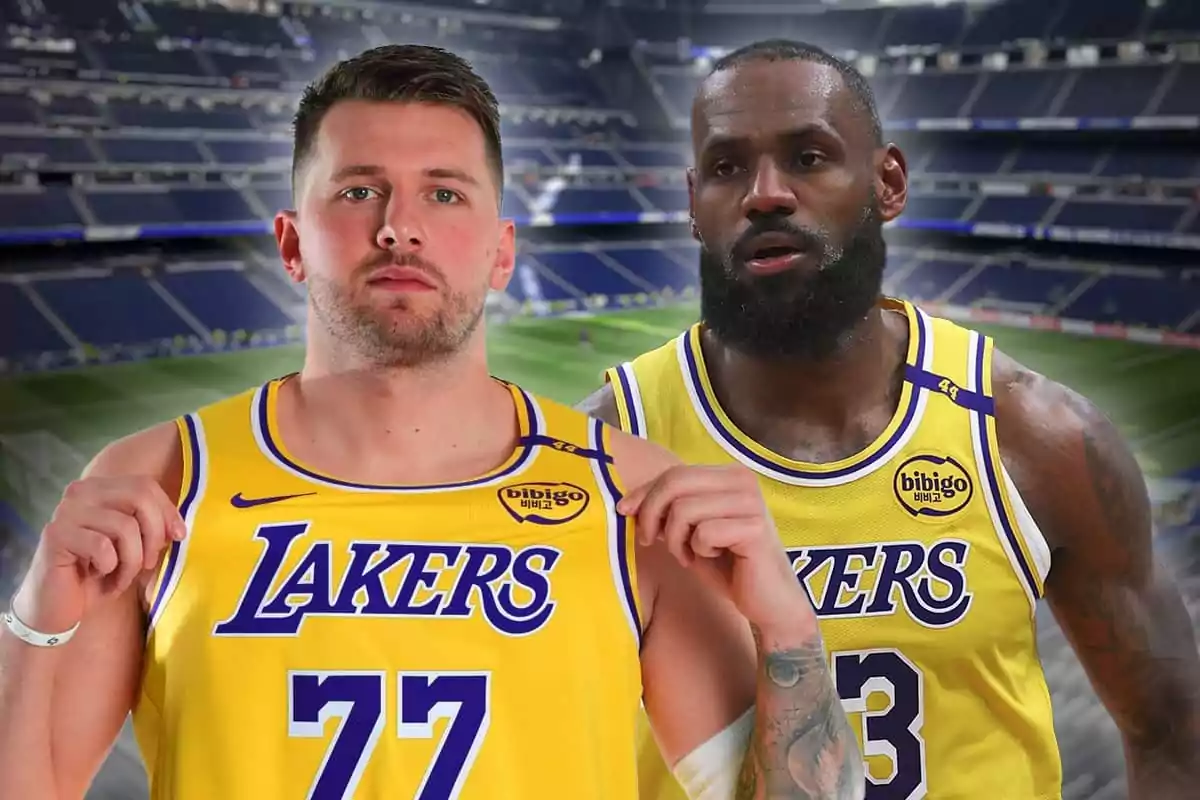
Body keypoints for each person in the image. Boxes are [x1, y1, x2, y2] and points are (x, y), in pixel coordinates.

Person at [0, 45, 865, 800]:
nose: (399, 228)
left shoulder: (633, 502)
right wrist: (36, 614)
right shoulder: (158, 483)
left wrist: (788, 628)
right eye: (359, 189)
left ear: (501, 252)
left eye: (445, 195)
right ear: (293, 243)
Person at [579, 38, 1200, 800]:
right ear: (693, 205)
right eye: (726, 166)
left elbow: (1173, 732)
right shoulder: (606, 454)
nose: (765, 193)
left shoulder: (1035, 439)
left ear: (889, 182)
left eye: (808, 157)